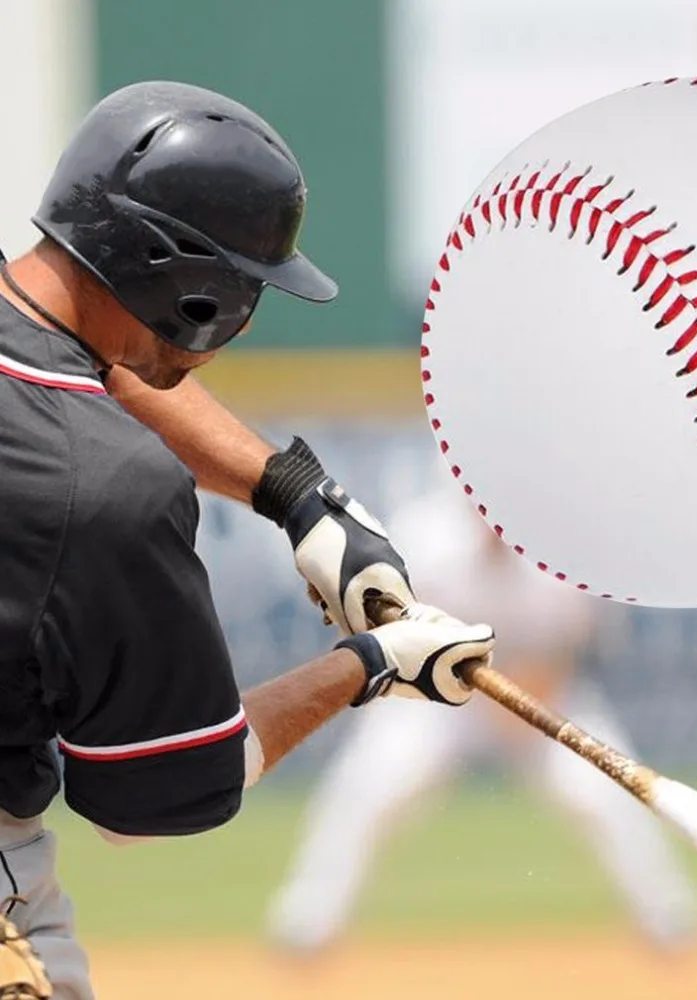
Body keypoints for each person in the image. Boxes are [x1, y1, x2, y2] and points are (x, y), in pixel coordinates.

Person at [0, 80, 494, 1000]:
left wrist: (296, 495)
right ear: (185, 282)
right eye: (241, 285)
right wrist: (369, 667)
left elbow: (70, 364)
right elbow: (156, 796)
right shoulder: (104, 488)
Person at [267, 483, 697, 953]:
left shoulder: (563, 546)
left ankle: (669, 914)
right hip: (433, 699)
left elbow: (578, 643)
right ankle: (308, 917)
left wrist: (527, 694)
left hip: (537, 691)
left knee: (603, 787)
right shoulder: (425, 536)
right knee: (371, 783)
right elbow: (383, 632)